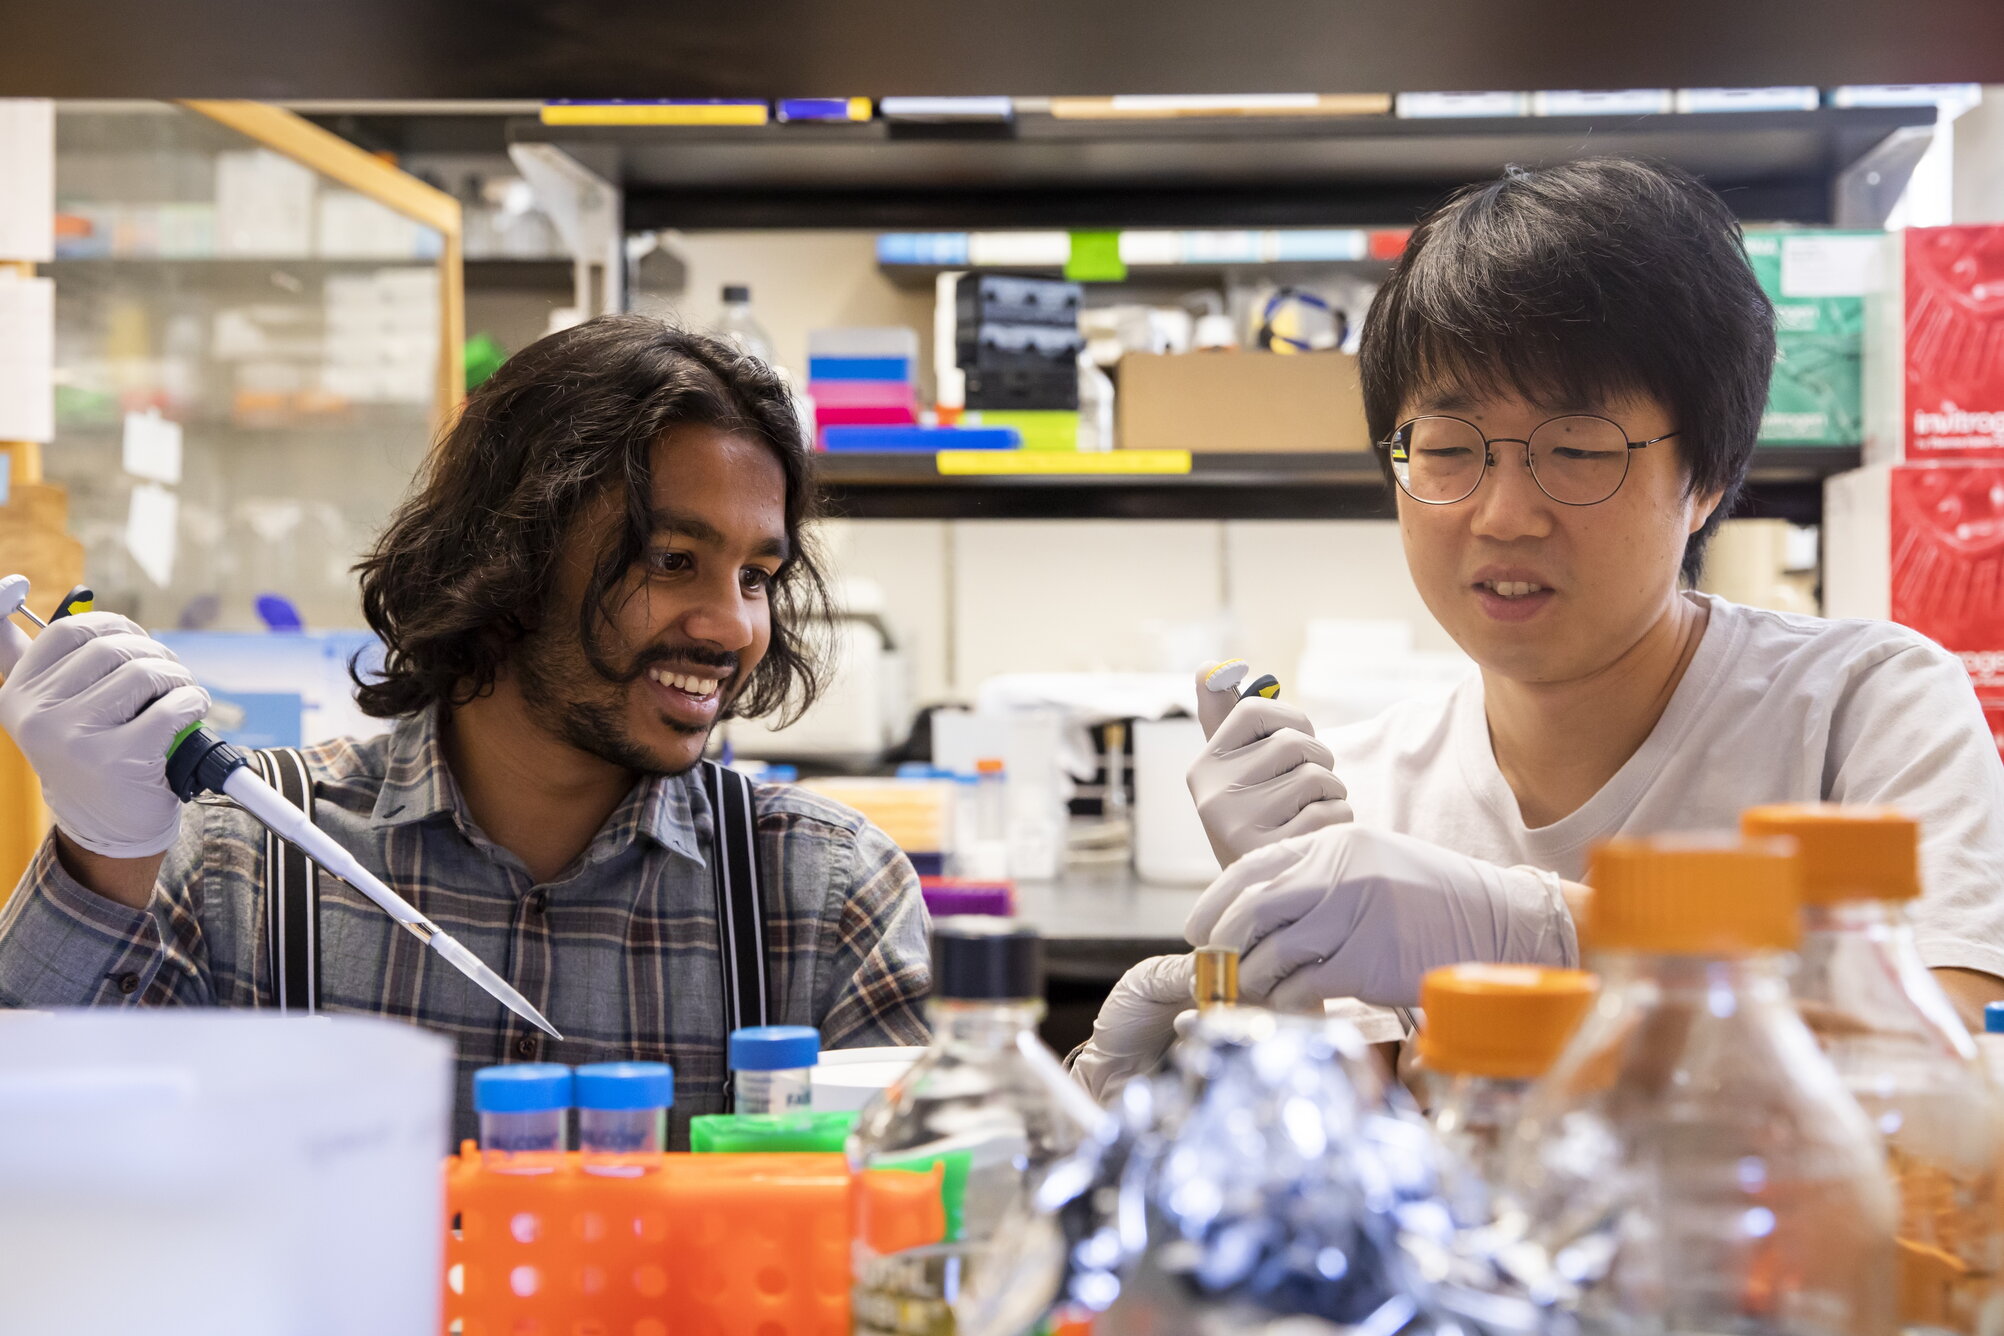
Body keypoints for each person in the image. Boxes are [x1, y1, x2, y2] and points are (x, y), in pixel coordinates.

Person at [1073, 157, 2004, 1098]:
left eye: (1577, 449)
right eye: (1446, 449)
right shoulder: (1359, 793)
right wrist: (1256, 1026)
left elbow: (1937, 1081)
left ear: (1709, 478)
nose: (1503, 514)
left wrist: (1538, 931)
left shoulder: (1863, 707)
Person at [0, 317, 931, 1142]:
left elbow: (922, 1242)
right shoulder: (239, 861)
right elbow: (48, 1158)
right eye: (672, 558)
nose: (733, 625)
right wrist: (101, 856)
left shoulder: (819, 896)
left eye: (757, 577)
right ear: (508, 556)